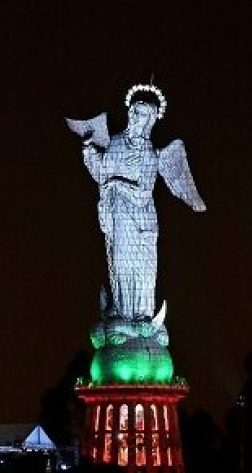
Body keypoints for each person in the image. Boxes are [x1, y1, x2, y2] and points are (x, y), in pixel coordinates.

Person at [68, 85, 205, 325]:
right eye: (132, 110)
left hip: (141, 221)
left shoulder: (150, 154)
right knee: (120, 263)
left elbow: (142, 195)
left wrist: (116, 185)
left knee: (142, 270)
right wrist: (88, 149)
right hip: (118, 216)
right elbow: (102, 173)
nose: (133, 116)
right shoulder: (115, 143)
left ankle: (141, 317)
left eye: (140, 113)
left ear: (150, 119)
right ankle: (122, 311)